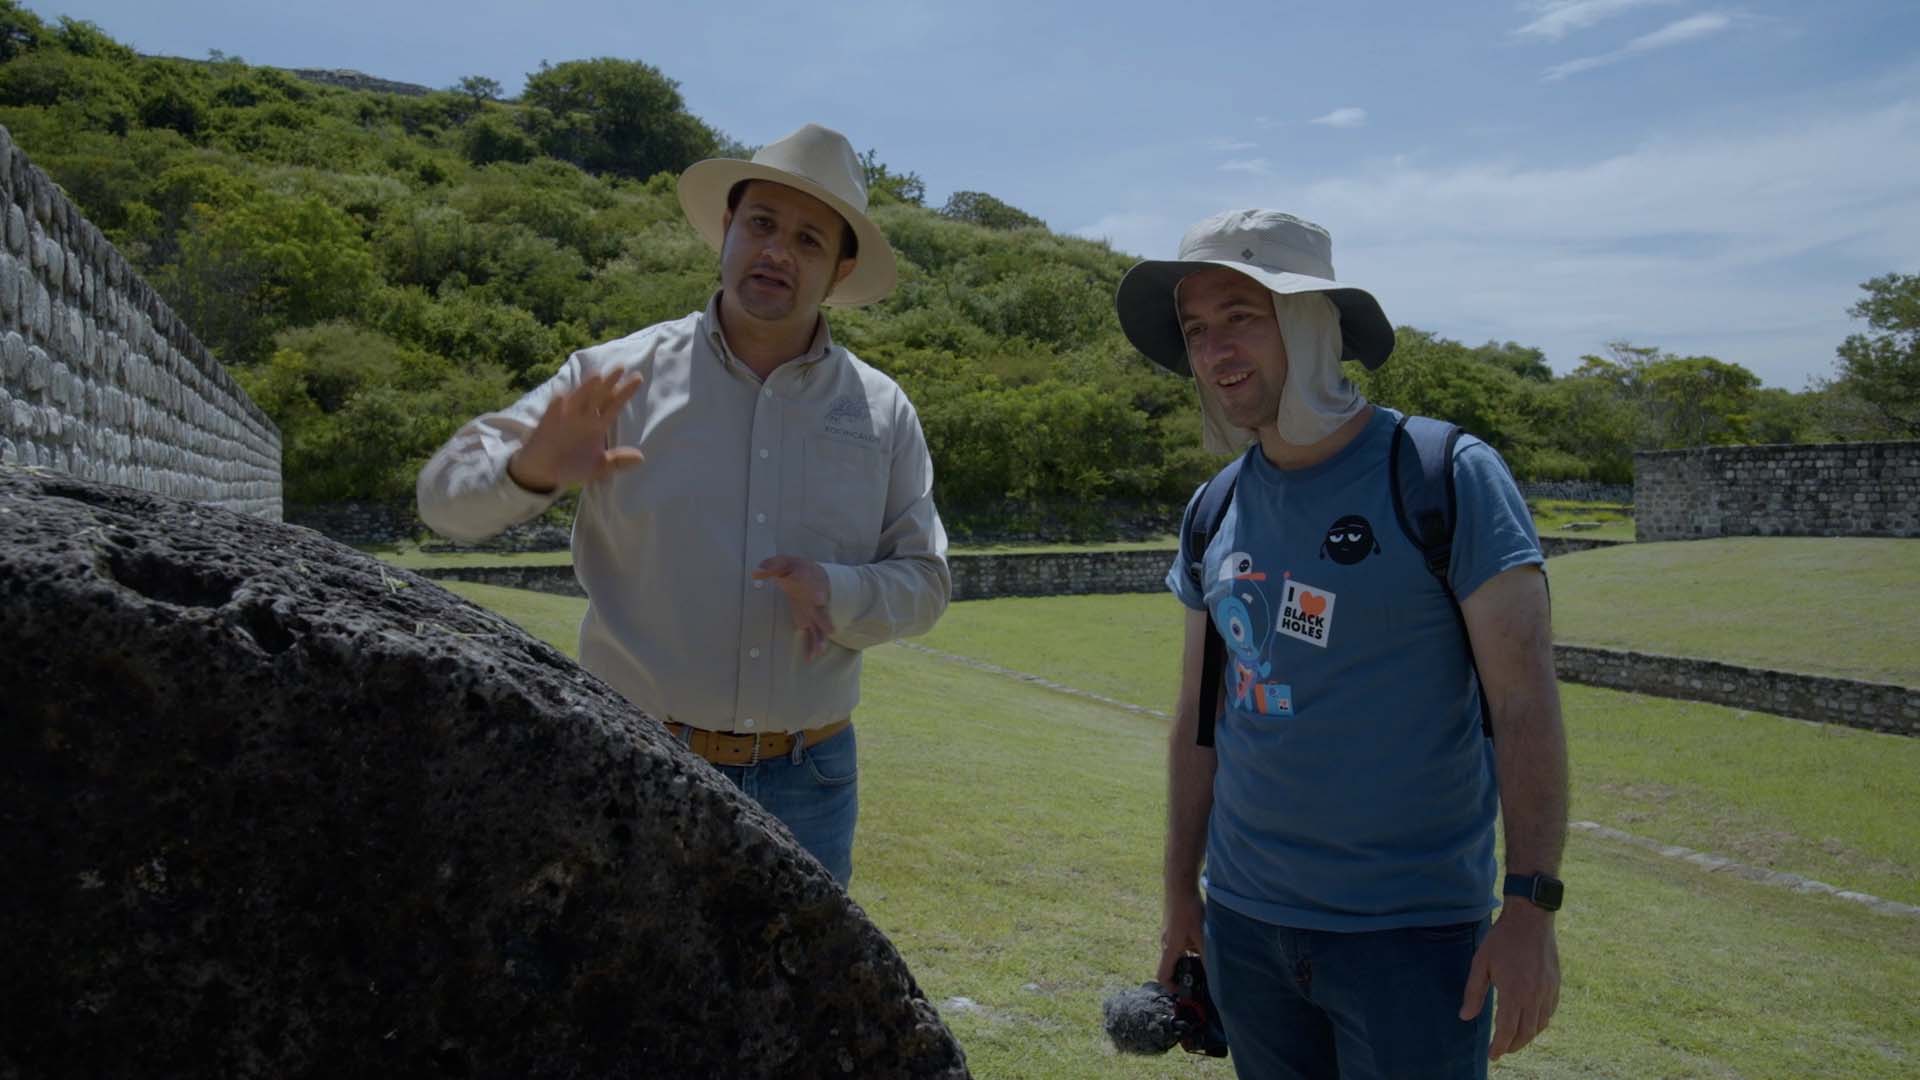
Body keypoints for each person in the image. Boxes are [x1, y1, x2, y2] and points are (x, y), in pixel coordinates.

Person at [416, 123, 951, 887]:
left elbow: (926, 581)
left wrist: (840, 591)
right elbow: (442, 499)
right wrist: (530, 468)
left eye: (808, 239)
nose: (775, 251)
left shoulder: (882, 409)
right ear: (726, 229)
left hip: (813, 778)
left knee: (791, 1007)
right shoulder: (612, 377)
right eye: (761, 224)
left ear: (839, 269)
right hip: (629, 753)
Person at [1113, 209, 1568, 1078]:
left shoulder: (1443, 477)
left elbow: (1524, 705)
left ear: (1313, 321)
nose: (1214, 351)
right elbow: (1197, 721)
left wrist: (1531, 907)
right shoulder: (1214, 509)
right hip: (1246, 928)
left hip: (1412, 934)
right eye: (1197, 330)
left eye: (1242, 316)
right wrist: (1181, 894)